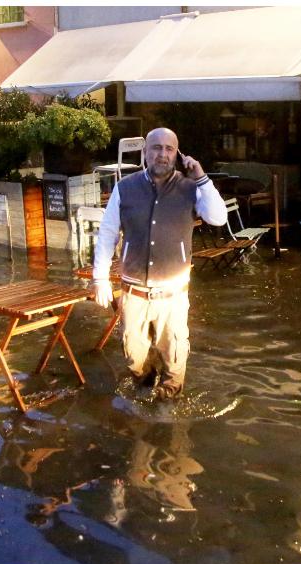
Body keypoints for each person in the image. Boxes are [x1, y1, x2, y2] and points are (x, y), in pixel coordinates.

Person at [92, 127, 227, 400]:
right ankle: (145, 386)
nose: (162, 154)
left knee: (174, 354)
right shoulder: (125, 188)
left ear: (177, 154)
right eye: (156, 148)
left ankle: (169, 405)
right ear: (145, 153)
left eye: (169, 149)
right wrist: (100, 278)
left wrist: (201, 177)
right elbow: (107, 233)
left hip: (173, 295)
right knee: (133, 355)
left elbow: (218, 217)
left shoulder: (192, 188)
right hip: (134, 292)